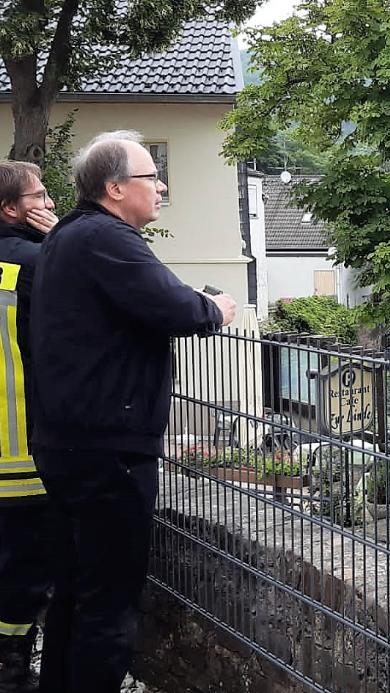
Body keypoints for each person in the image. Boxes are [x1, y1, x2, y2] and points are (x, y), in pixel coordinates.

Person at [30, 131, 236, 693]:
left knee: (76, 593)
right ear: (116, 188)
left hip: (67, 441)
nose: (162, 185)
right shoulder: (106, 237)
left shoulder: (67, 237)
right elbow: (173, 305)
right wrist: (215, 307)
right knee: (109, 606)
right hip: (108, 449)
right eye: (152, 175)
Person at [0, 161, 58, 693]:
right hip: (19, 458)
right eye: (39, 196)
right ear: (10, 209)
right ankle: (11, 670)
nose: (48, 203)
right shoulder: (35, 264)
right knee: (21, 574)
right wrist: (62, 239)